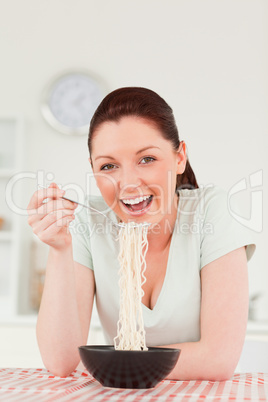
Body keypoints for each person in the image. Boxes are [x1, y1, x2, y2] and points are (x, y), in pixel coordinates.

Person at [27, 87, 255, 380]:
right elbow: (61, 361)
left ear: (179, 157)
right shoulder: (87, 221)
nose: (128, 184)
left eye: (146, 159)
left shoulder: (212, 211)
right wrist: (59, 249)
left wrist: (114, 363)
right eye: (108, 166)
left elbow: (218, 359)